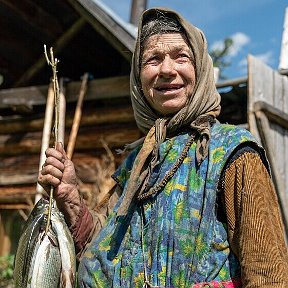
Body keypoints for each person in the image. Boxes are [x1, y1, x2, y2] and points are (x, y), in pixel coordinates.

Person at [38, 7, 288, 288]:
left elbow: (268, 274)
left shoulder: (233, 154)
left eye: (181, 56)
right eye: (153, 60)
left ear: (200, 69)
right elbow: (104, 250)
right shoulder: (137, 162)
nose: (167, 70)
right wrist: (70, 197)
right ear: (139, 79)